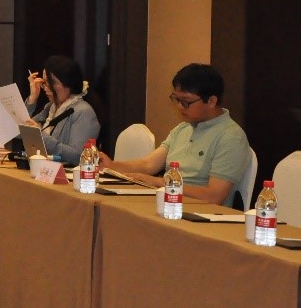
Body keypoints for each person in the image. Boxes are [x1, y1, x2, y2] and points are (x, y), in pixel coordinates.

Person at [99, 63, 252, 204]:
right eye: (176, 99)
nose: (179, 106)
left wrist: (159, 182)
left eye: (186, 101)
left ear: (211, 101)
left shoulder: (231, 137)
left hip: (198, 211)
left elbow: (213, 196)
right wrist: (112, 166)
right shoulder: (183, 128)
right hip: (169, 202)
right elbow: (149, 164)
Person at [24, 54, 101, 164]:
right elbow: (18, 132)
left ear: (67, 83)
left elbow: (78, 156)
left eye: (51, 82)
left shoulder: (83, 112)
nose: (45, 87)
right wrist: (32, 99)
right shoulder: (50, 107)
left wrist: (41, 136)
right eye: (44, 83)